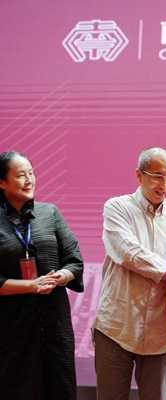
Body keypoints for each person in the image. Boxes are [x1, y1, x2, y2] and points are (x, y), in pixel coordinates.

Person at [92, 147, 166, 400]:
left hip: (160, 330)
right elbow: (128, 253)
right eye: (157, 176)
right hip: (117, 326)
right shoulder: (117, 208)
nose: (164, 185)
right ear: (139, 175)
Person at [0, 150, 84, 399]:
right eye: (20, 175)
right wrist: (31, 286)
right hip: (11, 326)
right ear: (2, 182)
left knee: (60, 387)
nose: (29, 180)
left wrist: (62, 277)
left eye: (31, 173)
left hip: (55, 321)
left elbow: (75, 260)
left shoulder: (50, 213)